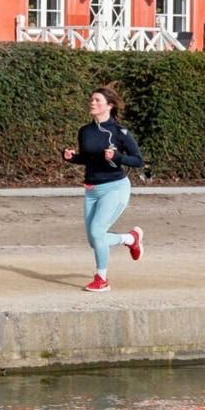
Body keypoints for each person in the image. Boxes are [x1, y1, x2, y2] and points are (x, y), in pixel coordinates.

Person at [62, 83, 145, 291]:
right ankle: (130, 239)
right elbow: (87, 159)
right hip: (92, 190)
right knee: (94, 240)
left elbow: (138, 160)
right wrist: (72, 158)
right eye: (91, 99)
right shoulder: (85, 131)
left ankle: (101, 279)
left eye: (97, 100)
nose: (92, 102)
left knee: (98, 232)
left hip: (115, 188)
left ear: (109, 105)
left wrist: (117, 157)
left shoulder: (120, 132)